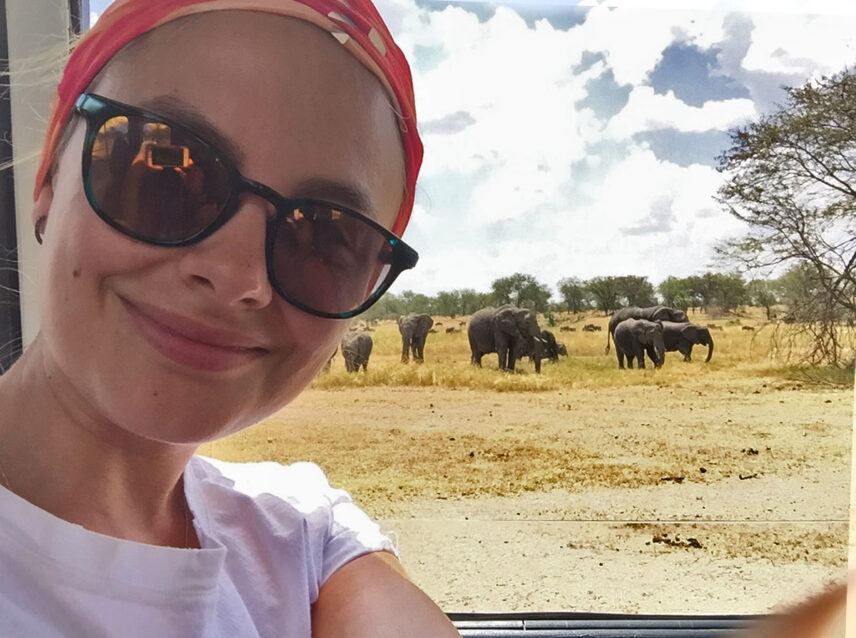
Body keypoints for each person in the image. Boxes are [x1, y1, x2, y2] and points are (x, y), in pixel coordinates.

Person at [0, 1, 460, 635]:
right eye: (161, 169)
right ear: (48, 181)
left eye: (326, 236)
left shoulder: (301, 537)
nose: (239, 276)